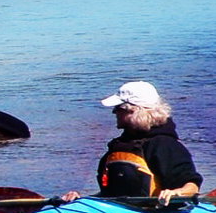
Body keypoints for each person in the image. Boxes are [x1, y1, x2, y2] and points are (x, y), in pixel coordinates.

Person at [62, 81, 202, 206]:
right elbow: (111, 193)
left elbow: (192, 185)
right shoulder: (119, 145)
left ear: (134, 111)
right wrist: (82, 200)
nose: (114, 112)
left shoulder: (164, 145)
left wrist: (178, 193)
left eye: (119, 108)